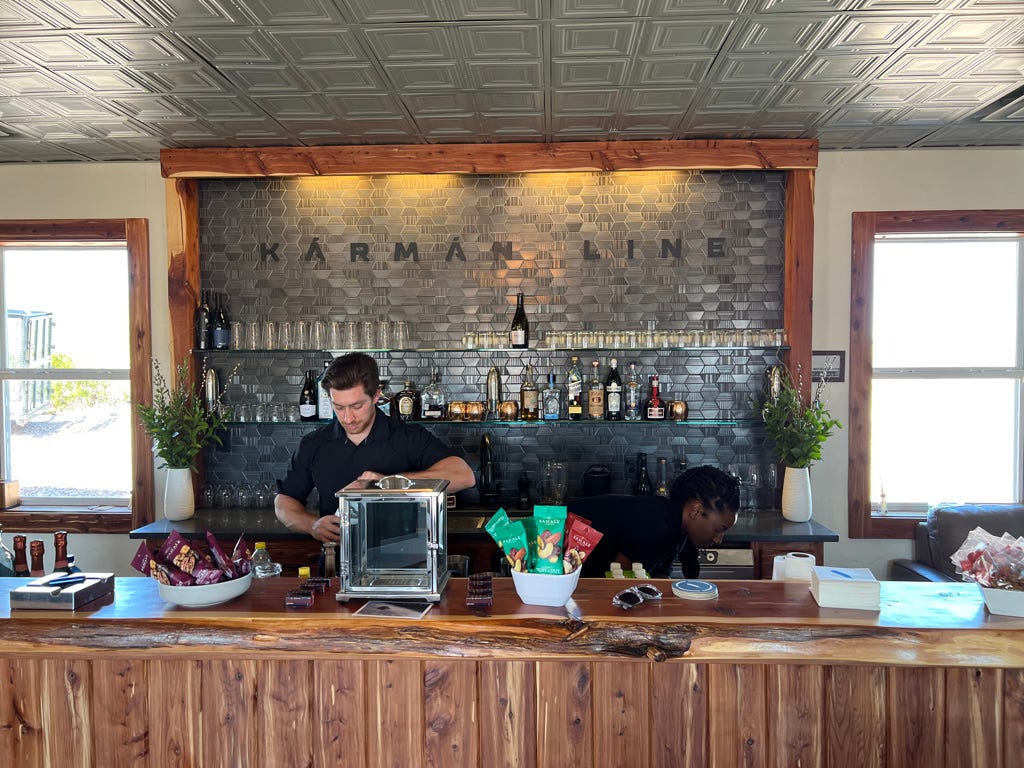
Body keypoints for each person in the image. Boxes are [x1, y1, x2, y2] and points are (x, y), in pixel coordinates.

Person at [275, 352, 475, 543]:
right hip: (336, 565)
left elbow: (463, 475)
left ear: (376, 395)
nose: (347, 418)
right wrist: (312, 525)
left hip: (403, 564)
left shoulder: (407, 437)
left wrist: (391, 483)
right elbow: (284, 502)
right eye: (339, 407)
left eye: (356, 406)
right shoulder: (314, 443)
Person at [570, 465, 740, 579]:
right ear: (696, 510)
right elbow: (619, 583)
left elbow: (660, 577)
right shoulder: (656, 525)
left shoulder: (676, 526)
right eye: (718, 529)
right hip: (552, 542)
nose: (719, 539)